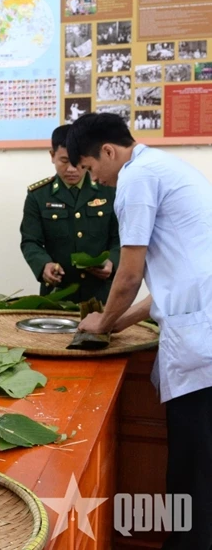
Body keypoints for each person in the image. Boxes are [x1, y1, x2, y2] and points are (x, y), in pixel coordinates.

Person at [68, 113, 212, 550]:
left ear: (108, 152)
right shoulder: (168, 167)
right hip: (200, 328)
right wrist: (118, 324)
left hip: (199, 340)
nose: (96, 180)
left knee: (191, 468)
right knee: (200, 465)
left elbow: (129, 277)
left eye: (92, 169)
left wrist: (101, 325)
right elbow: (170, 285)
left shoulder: (136, 177)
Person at [20, 125, 119, 302]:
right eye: (64, 161)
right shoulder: (39, 195)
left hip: (101, 294)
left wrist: (113, 262)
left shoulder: (108, 191)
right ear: (52, 156)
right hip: (58, 294)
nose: (72, 169)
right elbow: (30, 241)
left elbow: (121, 238)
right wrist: (43, 265)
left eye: (78, 162)